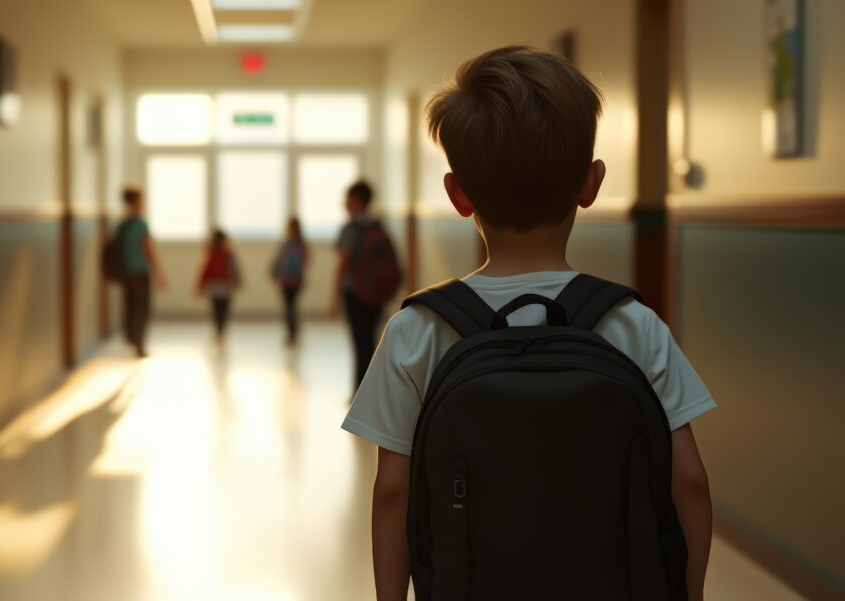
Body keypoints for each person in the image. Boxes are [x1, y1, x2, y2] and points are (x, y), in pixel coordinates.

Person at [341, 46, 715, 600]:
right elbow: (689, 482)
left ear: (458, 195)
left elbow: (392, 492)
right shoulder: (634, 323)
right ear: (591, 184)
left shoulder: (415, 330)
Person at [331, 180, 401, 392]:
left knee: (359, 343)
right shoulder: (377, 225)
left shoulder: (351, 228)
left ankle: (359, 392)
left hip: (355, 293)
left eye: (348, 197)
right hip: (376, 293)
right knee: (370, 341)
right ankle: (371, 390)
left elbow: (344, 263)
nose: (344, 202)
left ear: (357, 200)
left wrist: (335, 296)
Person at [110, 187, 166, 358]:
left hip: (126, 272)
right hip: (140, 271)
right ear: (136, 201)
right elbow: (147, 249)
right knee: (142, 307)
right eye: (142, 199)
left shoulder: (122, 225)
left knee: (130, 305)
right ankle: (139, 343)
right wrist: (158, 271)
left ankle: (131, 337)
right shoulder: (140, 224)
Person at [271, 217, 309, 345]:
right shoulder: (300, 244)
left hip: (291, 280)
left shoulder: (288, 243)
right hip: (291, 280)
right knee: (290, 307)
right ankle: (292, 331)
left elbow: (279, 261)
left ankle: (292, 332)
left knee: (290, 307)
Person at [197, 229, 241, 339]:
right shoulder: (228, 253)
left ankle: (218, 329)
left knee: (216, 309)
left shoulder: (210, 253)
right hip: (225, 285)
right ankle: (221, 329)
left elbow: (204, 270)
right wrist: (237, 281)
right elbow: (234, 269)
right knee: (223, 310)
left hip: (213, 286)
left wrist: (200, 285)